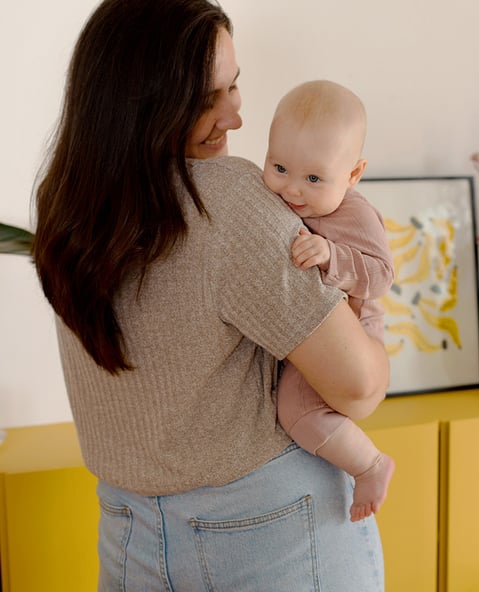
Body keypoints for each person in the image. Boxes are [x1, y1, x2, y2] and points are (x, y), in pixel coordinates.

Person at [31, 0, 390, 590]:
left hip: (127, 538)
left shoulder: (66, 205)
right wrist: (368, 318)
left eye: (235, 85)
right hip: (273, 537)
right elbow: (359, 387)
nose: (236, 117)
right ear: (143, 101)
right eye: (205, 98)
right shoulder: (231, 199)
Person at [263, 80, 396, 523]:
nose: (292, 190)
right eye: (279, 167)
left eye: (313, 178)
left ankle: (370, 465)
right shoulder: (280, 199)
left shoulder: (353, 213)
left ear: (353, 175)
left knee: (297, 410)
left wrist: (331, 255)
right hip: (318, 330)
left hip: (356, 327)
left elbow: (381, 275)